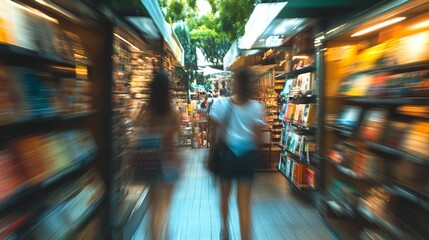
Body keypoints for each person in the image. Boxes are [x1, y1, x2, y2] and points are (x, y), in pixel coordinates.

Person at [209, 67, 265, 240]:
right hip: (247, 156)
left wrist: (211, 155)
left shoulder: (221, 104)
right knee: (244, 202)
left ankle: (225, 229)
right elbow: (258, 139)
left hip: (226, 155)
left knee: (224, 196)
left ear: (235, 83)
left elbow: (213, 134)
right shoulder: (257, 108)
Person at [135, 70, 180, 240]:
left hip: (150, 160)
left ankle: (156, 235)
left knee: (153, 205)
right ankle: (163, 234)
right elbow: (175, 137)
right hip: (168, 161)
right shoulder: (172, 112)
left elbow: (137, 126)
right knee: (165, 205)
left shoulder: (146, 109)